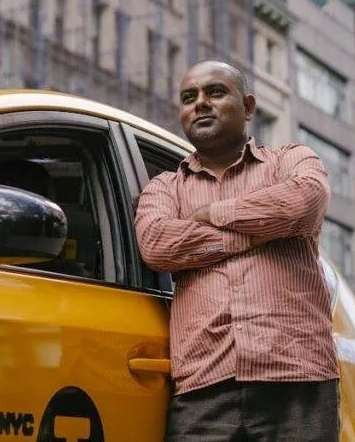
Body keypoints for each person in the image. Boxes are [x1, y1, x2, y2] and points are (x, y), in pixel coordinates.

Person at [134, 60, 341, 441]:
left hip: (296, 381)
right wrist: (258, 232)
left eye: (215, 92)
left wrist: (214, 214)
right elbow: (158, 244)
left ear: (248, 107)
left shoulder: (291, 160)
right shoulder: (163, 188)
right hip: (204, 389)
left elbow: (306, 201)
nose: (200, 104)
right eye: (188, 97)